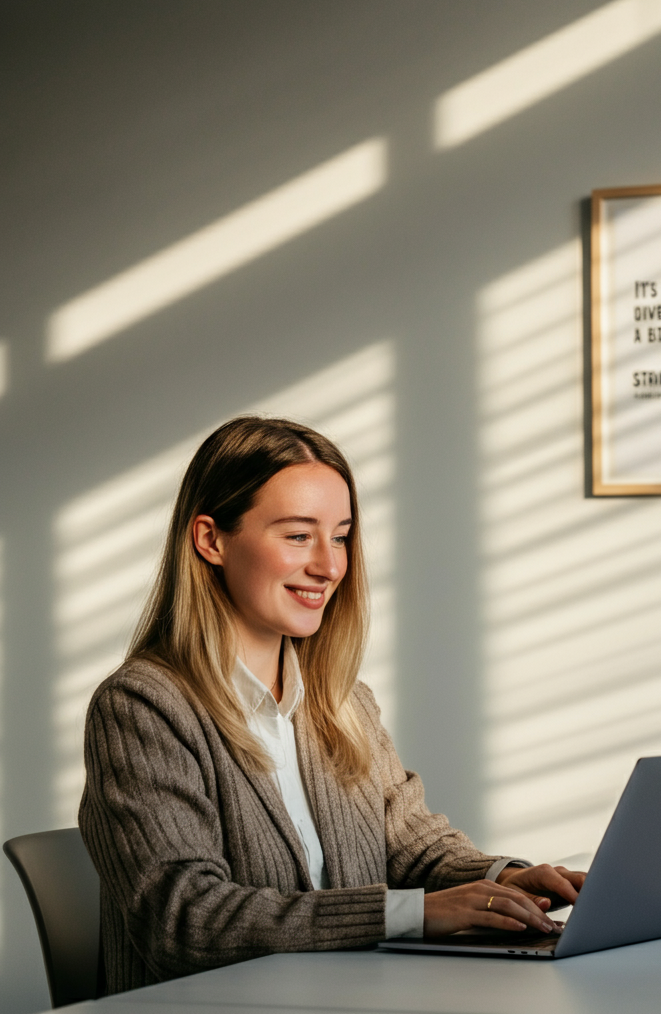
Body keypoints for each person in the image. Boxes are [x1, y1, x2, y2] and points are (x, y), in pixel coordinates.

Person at [79, 416, 585, 994]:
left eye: (340, 536)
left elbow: (412, 848)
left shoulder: (342, 701)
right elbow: (187, 921)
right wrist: (411, 914)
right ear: (210, 540)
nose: (330, 565)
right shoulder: (142, 708)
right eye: (298, 535)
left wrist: (509, 879)